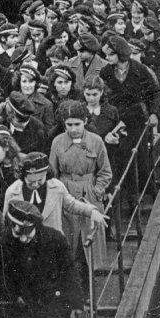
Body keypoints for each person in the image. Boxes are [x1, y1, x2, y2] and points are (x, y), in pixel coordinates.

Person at [0, 200, 85, 318]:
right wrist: (15, 296)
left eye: (26, 233)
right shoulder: (6, 241)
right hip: (25, 310)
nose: (23, 239)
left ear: (35, 226)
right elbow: (4, 275)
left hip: (54, 305)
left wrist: (76, 305)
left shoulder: (55, 239)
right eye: (18, 233)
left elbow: (70, 272)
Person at [48, 100, 112, 265]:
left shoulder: (96, 141)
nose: (73, 129)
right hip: (66, 189)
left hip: (88, 190)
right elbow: (52, 172)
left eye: (77, 124)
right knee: (69, 236)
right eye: (69, 124)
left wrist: (97, 190)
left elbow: (105, 171)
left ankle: (91, 274)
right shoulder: (57, 142)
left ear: (85, 121)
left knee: (89, 236)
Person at [99, 35, 160, 202]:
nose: (107, 58)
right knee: (121, 155)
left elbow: (154, 93)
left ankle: (150, 191)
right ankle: (130, 196)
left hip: (137, 119)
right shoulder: (106, 73)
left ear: (120, 54)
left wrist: (153, 112)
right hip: (117, 120)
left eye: (110, 55)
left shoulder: (139, 70)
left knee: (141, 155)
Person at [3, 152, 107, 239]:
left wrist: (91, 211)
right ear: (23, 176)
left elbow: (71, 205)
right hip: (24, 243)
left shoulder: (57, 187)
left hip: (52, 243)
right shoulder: (12, 192)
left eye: (40, 180)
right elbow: (6, 221)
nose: (35, 184)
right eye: (30, 182)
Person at [12, 65, 55, 134]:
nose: (27, 85)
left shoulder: (47, 104)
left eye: (31, 81)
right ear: (19, 82)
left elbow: (48, 132)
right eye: (24, 81)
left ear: (36, 83)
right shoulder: (12, 100)